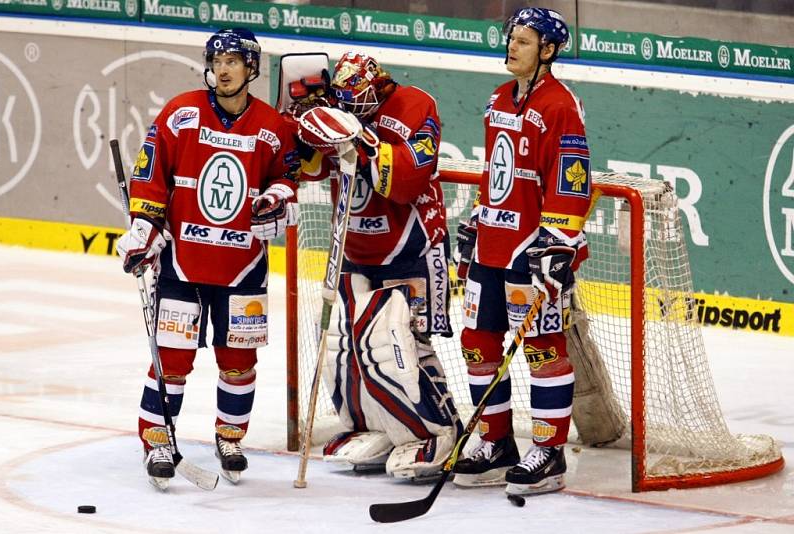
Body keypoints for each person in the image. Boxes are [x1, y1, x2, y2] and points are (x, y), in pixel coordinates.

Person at [116, 28, 300, 489]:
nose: (223, 68)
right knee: (171, 359)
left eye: (234, 61)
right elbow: (151, 175)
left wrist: (277, 199)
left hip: (243, 266)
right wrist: (145, 228)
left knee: (238, 361)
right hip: (183, 262)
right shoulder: (181, 114)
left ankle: (230, 438)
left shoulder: (273, 128)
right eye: (217, 60)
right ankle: (157, 438)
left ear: (251, 68)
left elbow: (289, 177)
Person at [292, 51, 461, 481]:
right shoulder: (337, 113)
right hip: (353, 248)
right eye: (341, 100)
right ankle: (377, 426)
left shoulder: (416, 106)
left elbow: (406, 182)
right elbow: (306, 169)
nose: (347, 109)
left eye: (355, 101)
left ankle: (440, 430)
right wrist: (301, 123)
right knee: (342, 343)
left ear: (376, 88)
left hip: (413, 249)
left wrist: (360, 142)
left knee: (403, 343)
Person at [452, 7, 592, 497]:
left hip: (532, 251)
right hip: (491, 243)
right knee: (476, 342)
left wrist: (558, 243)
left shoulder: (560, 105)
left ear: (548, 51)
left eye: (524, 41)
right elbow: (496, 172)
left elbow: (571, 180)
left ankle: (549, 454)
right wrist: (476, 218)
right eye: (511, 38)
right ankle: (496, 444)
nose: (512, 46)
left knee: (543, 350)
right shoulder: (498, 99)